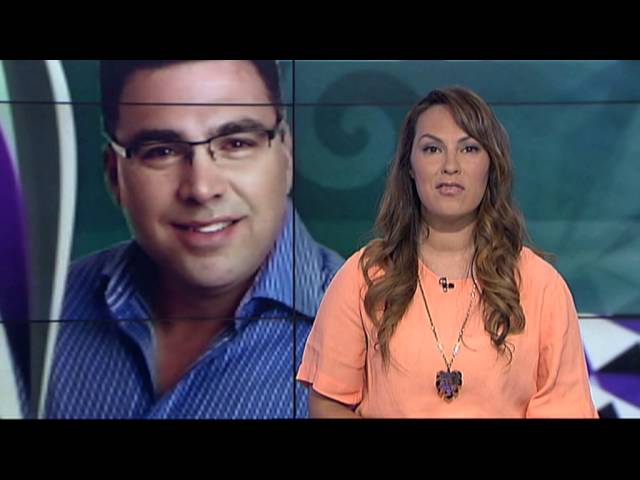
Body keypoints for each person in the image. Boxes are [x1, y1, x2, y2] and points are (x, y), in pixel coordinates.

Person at [45, 60, 343, 419]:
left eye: (236, 143)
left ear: (286, 155)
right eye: (162, 151)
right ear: (114, 175)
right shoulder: (38, 315)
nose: (202, 188)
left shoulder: (379, 338)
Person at [297, 86, 598, 418]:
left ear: (491, 165)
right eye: (432, 149)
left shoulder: (541, 286)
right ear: (409, 166)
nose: (450, 166)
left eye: (469, 148)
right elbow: (328, 402)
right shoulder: (364, 276)